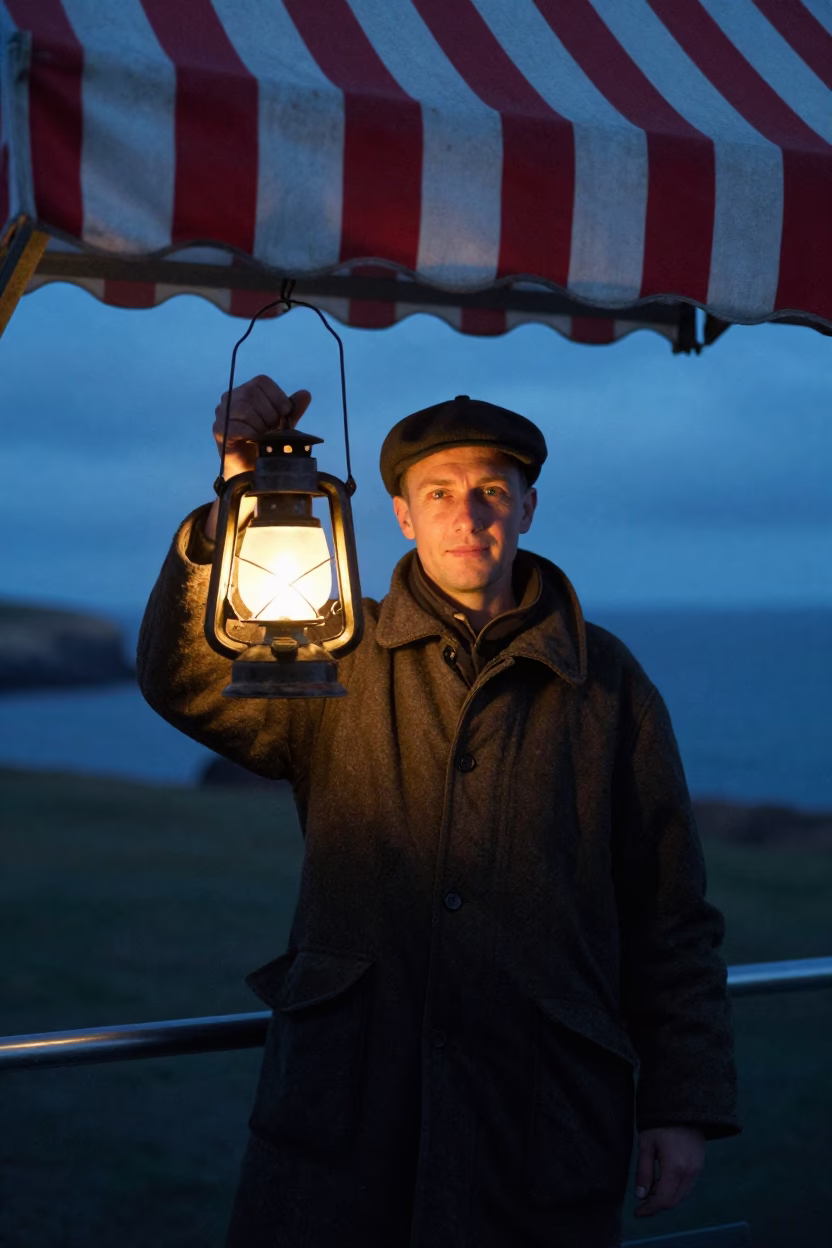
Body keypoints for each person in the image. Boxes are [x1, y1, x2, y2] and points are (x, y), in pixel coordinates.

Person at [137, 378, 740, 1248]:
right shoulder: (330, 652)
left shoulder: (608, 682)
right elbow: (187, 682)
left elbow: (671, 912)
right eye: (441, 494)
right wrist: (235, 495)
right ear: (402, 515)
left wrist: (683, 1104)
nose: (470, 516)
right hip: (346, 1112)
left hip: (539, 1119)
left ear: (528, 506)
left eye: (492, 492)